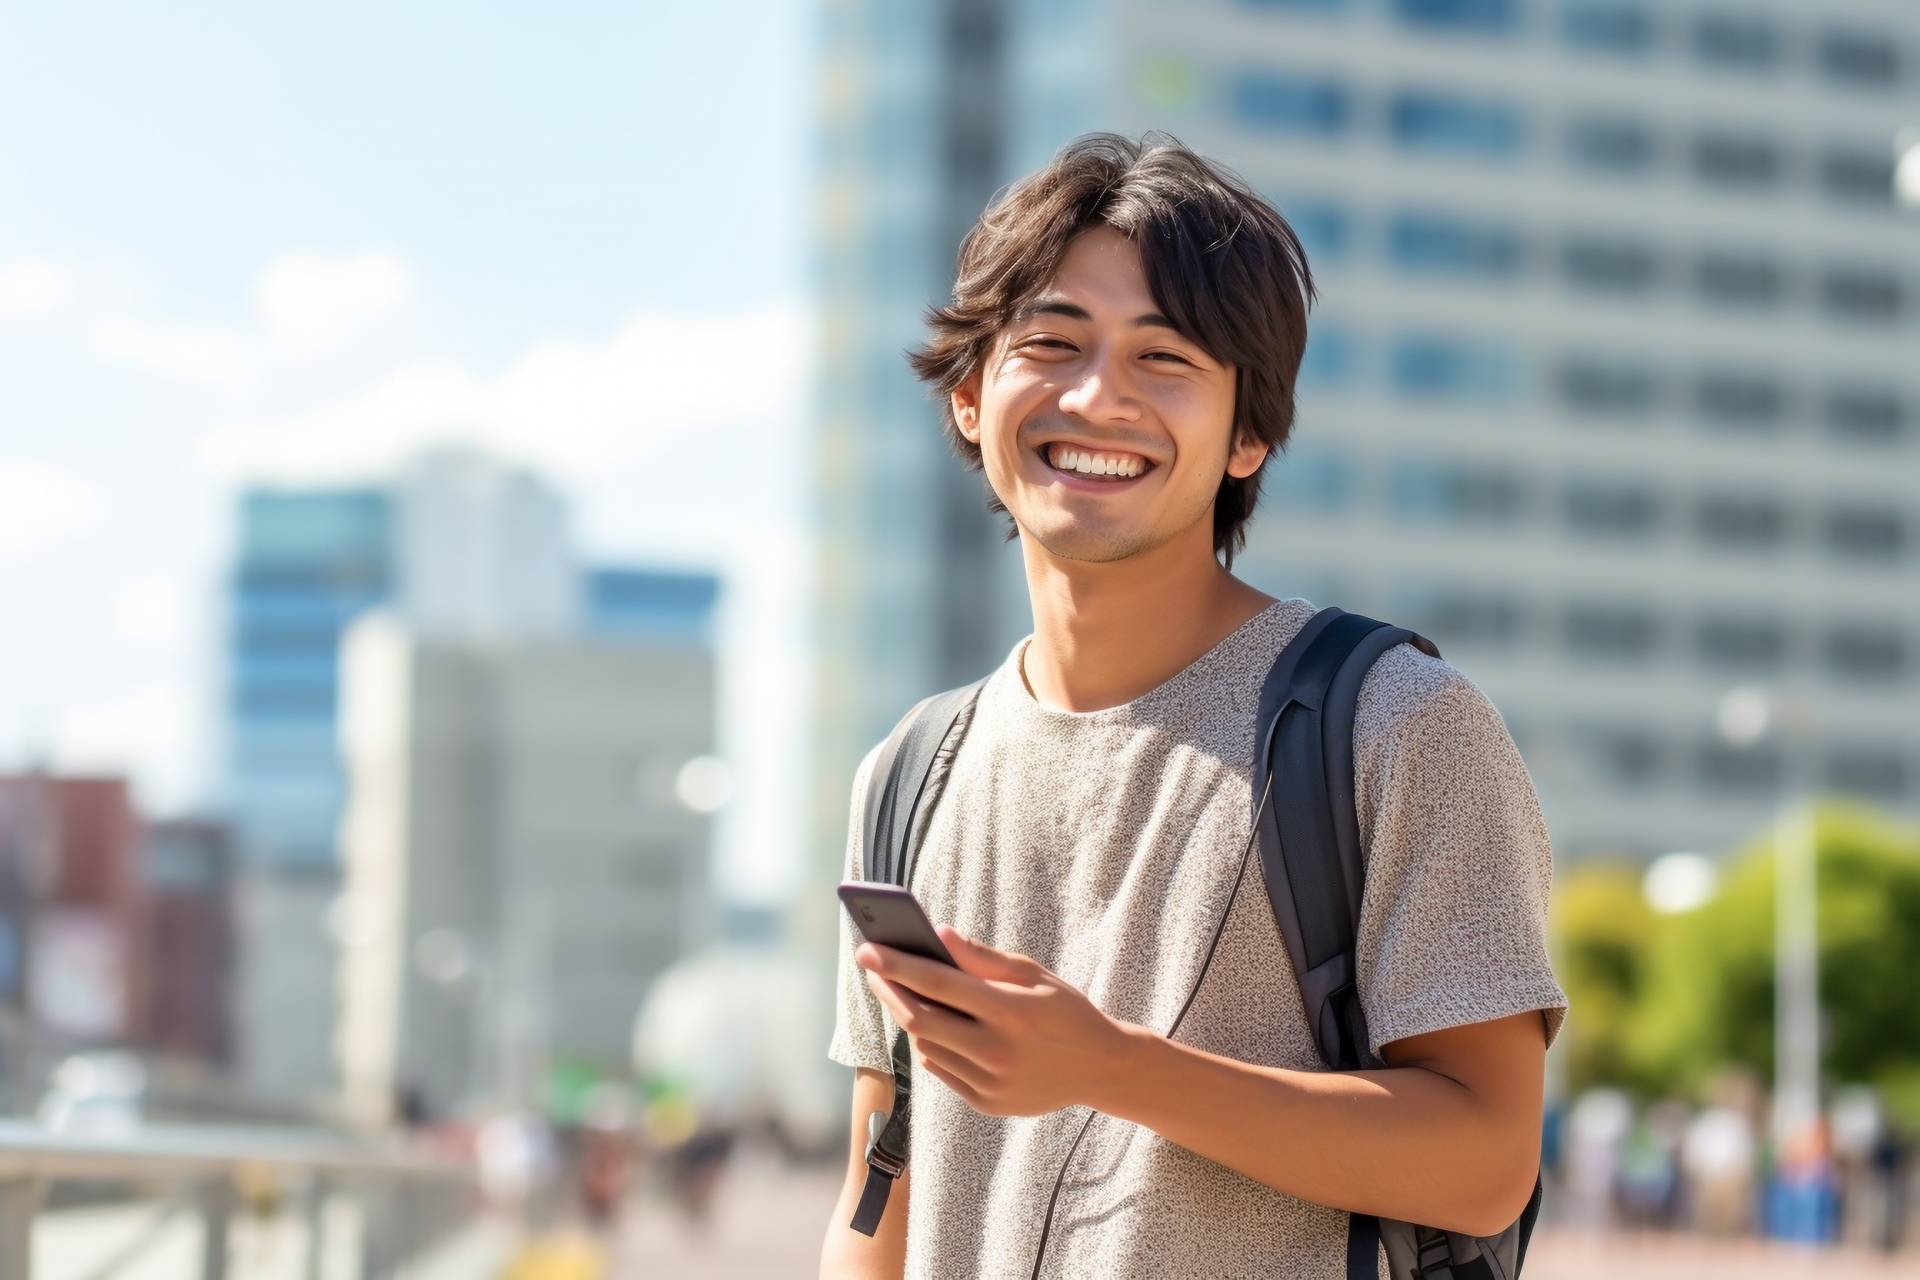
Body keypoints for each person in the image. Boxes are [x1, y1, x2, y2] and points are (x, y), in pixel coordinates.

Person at [820, 133, 1567, 1280]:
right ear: (971, 397)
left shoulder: (1394, 724)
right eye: (1053, 342)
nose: (1097, 394)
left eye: (1165, 359)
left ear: (1250, 434)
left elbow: (1484, 1159)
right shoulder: (910, 769)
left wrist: (1111, 1066)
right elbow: (883, 1191)